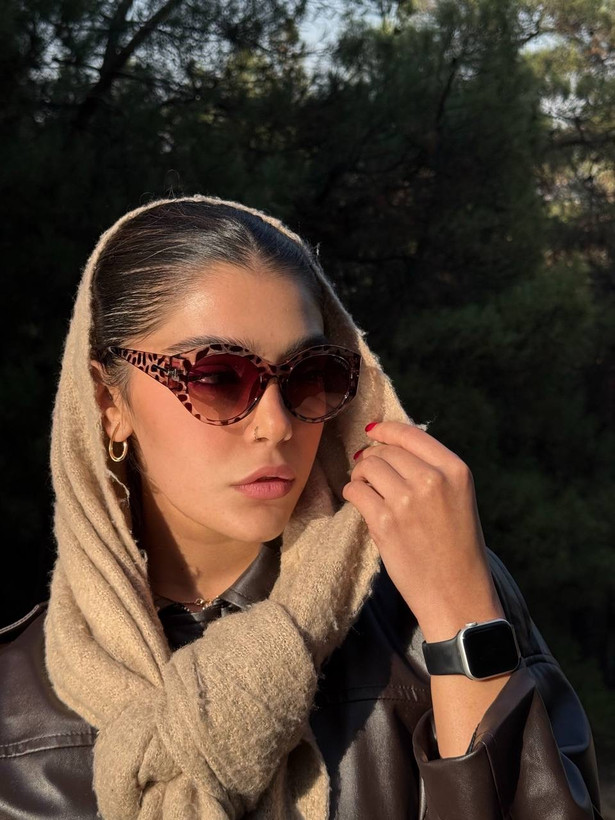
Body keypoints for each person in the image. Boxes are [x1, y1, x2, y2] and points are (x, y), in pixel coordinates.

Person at [0, 195, 603, 819]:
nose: (277, 424)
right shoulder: (14, 707)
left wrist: (462, 620)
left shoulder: (429, 601)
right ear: (109, 403)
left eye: (311, 375)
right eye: (217, 376)